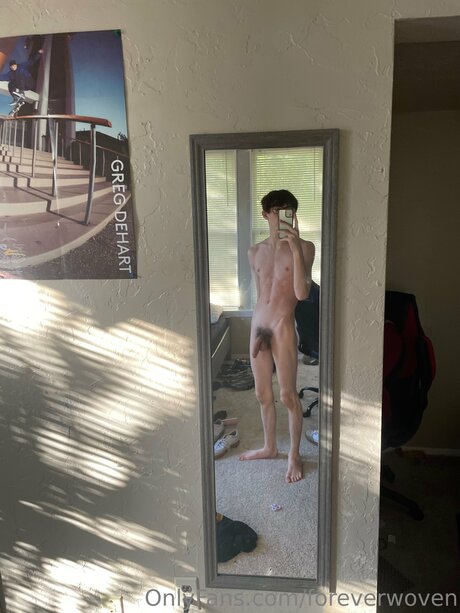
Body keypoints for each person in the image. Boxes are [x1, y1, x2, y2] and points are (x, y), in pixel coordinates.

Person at [239, 189, 315, 483]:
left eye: (289, 211)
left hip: (283, 326)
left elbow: (302, 293)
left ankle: (294, 455)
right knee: (262, 394)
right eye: (277, 210)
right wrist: (258, 329)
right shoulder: (254, 252)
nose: (283, 216)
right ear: (265, 214)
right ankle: (269, 447)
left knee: (287, 395)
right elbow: (262, 295)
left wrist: (294, 250)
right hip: (259, 325)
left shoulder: (305, 248)